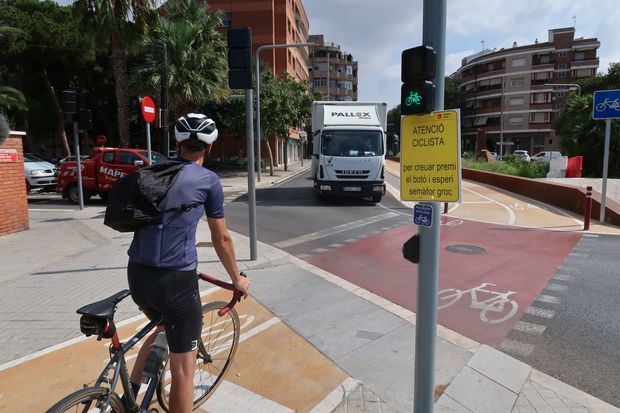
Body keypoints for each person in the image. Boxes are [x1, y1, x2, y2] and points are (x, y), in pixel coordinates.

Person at [125, 113, 250, 413]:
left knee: (160, 328)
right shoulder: (208, 181)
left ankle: (126, 402)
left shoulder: (153, 171)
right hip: (176, 282)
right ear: (209, 148)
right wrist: (237, 279)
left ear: (179, 143)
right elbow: (221, 238)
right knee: (183, 370)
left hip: (137, 275)